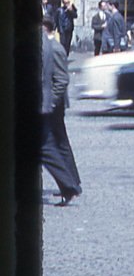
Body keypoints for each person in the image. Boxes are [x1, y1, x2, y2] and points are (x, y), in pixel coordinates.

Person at [39, 15, 82, 206]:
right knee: (52, 144)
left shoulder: (52, 47)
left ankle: (71, 183)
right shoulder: (47, 45)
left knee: (53, 144)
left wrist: (51, 102)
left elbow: (61, 80)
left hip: (50, 105)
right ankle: (71, 183)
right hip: (47, 104)